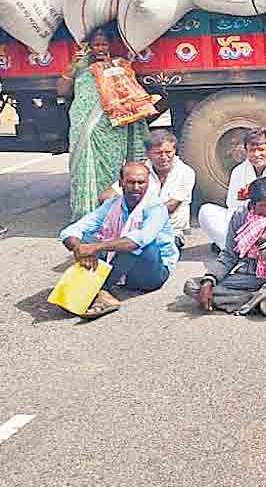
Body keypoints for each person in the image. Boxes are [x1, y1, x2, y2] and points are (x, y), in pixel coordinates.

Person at [57, 24, 152, 219]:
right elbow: (62, 91)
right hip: (84, 128)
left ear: (110, 46)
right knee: (83, 167)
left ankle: (110, 213)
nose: (100, 49)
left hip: (112, 128)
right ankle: (85, 213)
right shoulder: (80, 66)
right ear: (90, 46)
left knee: (111, 168)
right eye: (96, 45)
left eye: (104, 45)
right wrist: (71, 68)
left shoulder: (119, 66)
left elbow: (130, 94)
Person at [60, 161, 177, 318]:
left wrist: (95, 248)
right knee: (84, 239)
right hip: (124, 271)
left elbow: (139, 240)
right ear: (121, 183)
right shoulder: (112, 204)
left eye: (141, 183)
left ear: (148, 184)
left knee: (141, 244)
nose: (136, 187)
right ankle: (100, 292)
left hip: (152, 274)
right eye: (131, 182)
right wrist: (79, 248)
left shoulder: (156, 208)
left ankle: (99, 290)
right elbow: (72, 230)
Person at [183, 177, 266, 316]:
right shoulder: (240, 216)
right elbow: (229, 256)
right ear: (252, 204)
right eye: (263, 206)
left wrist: (264, 243)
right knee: (193, 286)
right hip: (248, 274)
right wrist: (209, 280)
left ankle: (244, 302)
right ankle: (260, 301)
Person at [199, 128, 266, 250]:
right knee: (206, 211)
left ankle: (233, 249)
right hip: (245, 222)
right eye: (252, 150)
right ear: (246, 151)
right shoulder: (238, 171)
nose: (256, 155)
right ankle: (235, 246)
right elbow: (233, 207)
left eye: (261, 150)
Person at [98, 130, 196, 248]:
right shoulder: (141, 171)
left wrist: (136, 214)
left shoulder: (186, 173)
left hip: (169, 231)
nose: (164, 157)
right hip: (136, 228)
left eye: (168, 152)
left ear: (174, 151)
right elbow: (105, 197)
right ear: (148, 154)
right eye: (158, 153)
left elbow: (170, 207)